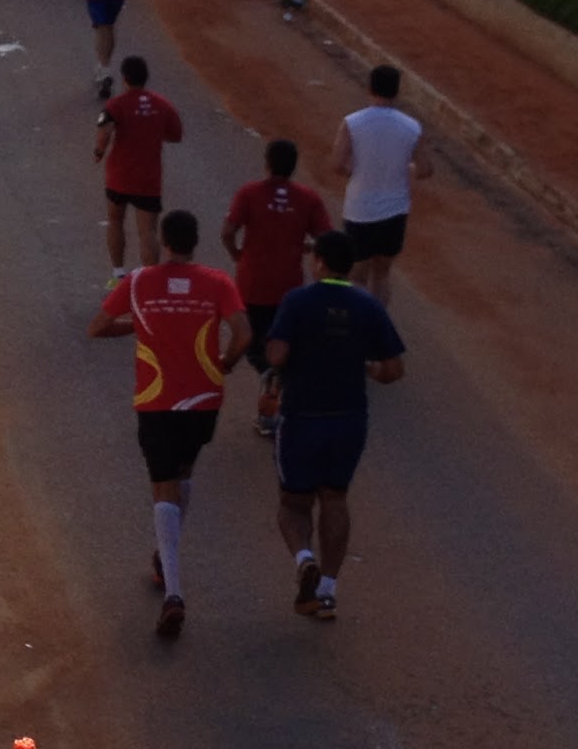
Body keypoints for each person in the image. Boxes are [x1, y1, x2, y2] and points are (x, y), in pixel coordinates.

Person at [86, 210, 251, 639]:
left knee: (162, 485)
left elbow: (97, 327)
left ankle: (174, 592)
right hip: (204, 397)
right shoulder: (218, 282)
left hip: (157, 398)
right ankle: (165, 555)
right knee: (183, 475)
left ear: (164, 240)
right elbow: (244, 334)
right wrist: (226, 363)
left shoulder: (139, 282)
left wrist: (135, 328)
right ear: (196, 242)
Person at [266, 229, 406, 621]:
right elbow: (394, 369)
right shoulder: (367, 307)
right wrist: (362, 366)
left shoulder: (298, 301)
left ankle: (304, 556)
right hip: (348, 420)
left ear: (321, 262)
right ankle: (327, 589)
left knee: (293, 505)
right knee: (335, 498)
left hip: (302, 418)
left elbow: (276, 354)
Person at [221, 138, 333, 437]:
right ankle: (280, 385)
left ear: (267, 162)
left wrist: (236, 254)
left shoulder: (249, 193)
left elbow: (228, 231)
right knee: (284, 341)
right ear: (293, 167)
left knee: (254, 346)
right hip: (289, 289)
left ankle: (270, 381)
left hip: (252, 285)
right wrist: (306, 246)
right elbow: (327, 240)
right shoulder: (308, 199)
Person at [329, 64, 432, 305]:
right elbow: (426, 169)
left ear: (370, 88)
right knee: (382, 274)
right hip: (395, 211)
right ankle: (377, 324)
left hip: (360, 209)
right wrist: (407, 170)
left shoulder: (352, 122)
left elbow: (336, 164)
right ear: (397, 92)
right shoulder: (411, 127)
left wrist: (356, 173)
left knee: (355, 275)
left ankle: (356, 325)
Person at [96, 56, 183, 285]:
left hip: (119, 177)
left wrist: (98, 152)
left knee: (115, 220)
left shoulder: (116, 105)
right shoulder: (162, 104)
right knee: (148, 232)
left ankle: (117, 274)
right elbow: (176, 135)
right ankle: (151, 282)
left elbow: (104, 131)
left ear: (124, 79)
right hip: (148, 179)